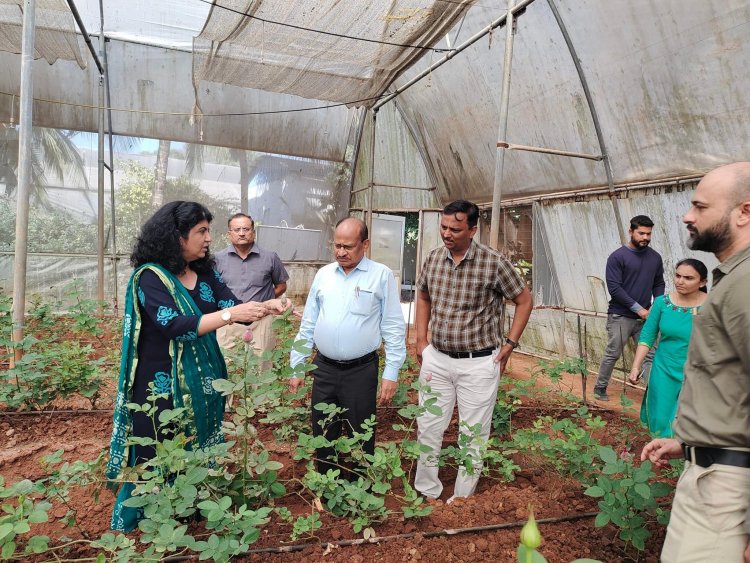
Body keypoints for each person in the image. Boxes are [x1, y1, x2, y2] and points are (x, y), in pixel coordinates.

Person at [106, 201, 288, 532]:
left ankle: (191, 508)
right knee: (158, 445)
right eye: (201, 231)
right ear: (175, 237)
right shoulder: (151, 277)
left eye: (208, 230)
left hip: (202, 378)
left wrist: (267, 305)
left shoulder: (204, 272)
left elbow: (229, 303)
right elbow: (173, 324)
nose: (208, 239)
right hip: (160, 381)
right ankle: (146, 522)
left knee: (198, 440)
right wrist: (232, 315)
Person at [640, 162, 750, 563]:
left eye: (700, 207)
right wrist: (688, 443)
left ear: (744, 212)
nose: (688, 216)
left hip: (727, 490)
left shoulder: (745, 284)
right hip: (714, 471)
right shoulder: (732, 278)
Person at [414, 200, 533, 501]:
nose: (447, 234)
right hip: (437, 358)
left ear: (472, 230)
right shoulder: (433, 259)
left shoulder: (494, 263)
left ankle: (462, 499)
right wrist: (420, 339)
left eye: (455, 229)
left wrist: (510, 344)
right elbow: (424, 296)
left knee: (473, 433)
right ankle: (426, 489)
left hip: (478, 363)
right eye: (443, 227)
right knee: (428, 425)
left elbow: (524, 300)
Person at [288, 217, 406, 478]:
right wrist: (297, 365)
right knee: (323, 429)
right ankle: (327, 485)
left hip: (360, 370)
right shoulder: (324, 275)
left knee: (361, 431)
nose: (341, 252)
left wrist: (391, 372)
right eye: (337, 245)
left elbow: (393, 326)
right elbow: (308, 323)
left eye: (348, 246)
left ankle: (359, 487)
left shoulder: (380, 276)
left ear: (365, 245)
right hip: (324, 368)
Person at [627, 258, 708, 437]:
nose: (680, 281)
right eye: (677, 276)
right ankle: (661, 456)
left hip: (697, 372)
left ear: (702, 282)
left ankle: (683, 457)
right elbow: (647, 337)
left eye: (688, 278)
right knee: (661, 417)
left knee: (689, 418)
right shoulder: (662, 303)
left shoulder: (713, 305)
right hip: (663, 369)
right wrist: (635, 367)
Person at [593, 215, 665, 401]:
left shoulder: (655, 258)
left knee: (651, 354)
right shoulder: (617, 257)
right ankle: (600, 387)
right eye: (641, 233)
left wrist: (656, 306)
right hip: (620, 315)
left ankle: (653, 393)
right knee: (613, 352)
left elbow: (658, 283)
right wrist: (639, 309)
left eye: (649, 234)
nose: (645, 238)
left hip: (646, 317)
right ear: (631, 231)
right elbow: (615, 289)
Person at [214, 213, 289, 356]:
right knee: (227, 368)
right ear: (229, 234)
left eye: (246, 229)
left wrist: (265, 302)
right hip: (228, 322)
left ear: (253, 233)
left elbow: (281, 285)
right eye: (237, 230)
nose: (241, 234)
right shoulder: (217, 259)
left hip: (261, 322)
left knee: (262, 367)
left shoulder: (270, 257)